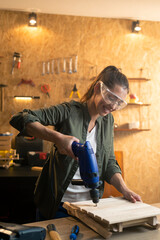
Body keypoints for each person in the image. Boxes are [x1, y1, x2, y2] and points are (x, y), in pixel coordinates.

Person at [10, 65, 142, 220]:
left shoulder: (108, 121)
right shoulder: (69, 111)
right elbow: (21, 118)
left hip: (90, 206)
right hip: (58, 205)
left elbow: (109, 162)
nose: (113, 106)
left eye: (119, 102)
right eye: (111, 97)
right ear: (98, 88)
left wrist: (125, 190)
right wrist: (58, 138)